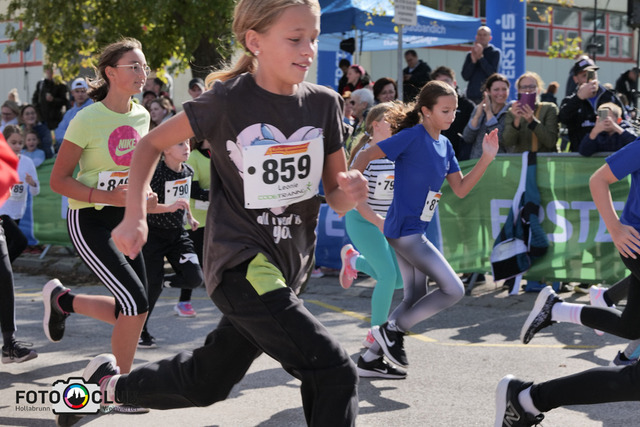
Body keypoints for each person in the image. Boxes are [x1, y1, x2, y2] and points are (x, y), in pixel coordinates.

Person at [78, 1, 367, 425]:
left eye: (314, 38)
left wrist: (351, 193)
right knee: (333, 370)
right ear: (255, 41)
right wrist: (135, 215)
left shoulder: (324, 104)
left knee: (207, 382)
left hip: (288, 269)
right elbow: (150, 144)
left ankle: (105, 386)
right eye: (295, 38)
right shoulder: (228, 100)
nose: (308, 49)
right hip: (241, 266)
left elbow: (335, 197)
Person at [351, 80, 499, 370]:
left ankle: (370, 359)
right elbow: (367, 154)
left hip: (414, 230)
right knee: (454, 289)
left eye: (454, 110)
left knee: (415, 296)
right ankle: (390, 330)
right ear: (426, 111)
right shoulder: (413, 136)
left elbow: (460, 189)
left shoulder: (445, 145)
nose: (452, 116)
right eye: (445, 110)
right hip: (403, 231)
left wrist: (487, 157)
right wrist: (351, 183)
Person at [496, 138, 640, 427]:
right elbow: (598, 179)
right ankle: (527, 399)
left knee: (631, 328)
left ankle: (555, 312)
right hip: (636, 246)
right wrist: (615, 228)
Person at [44, 37, 156, 385]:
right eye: (133, 66)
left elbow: (138, 168)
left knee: (133, 307)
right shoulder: (86, 119)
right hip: (89, 219)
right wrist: (107, 196)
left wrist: (144, 193)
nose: (142, 72)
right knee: (135, 302)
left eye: (144, 66)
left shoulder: (142, 115)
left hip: (126, 219)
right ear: (110, 72)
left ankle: (63, 302)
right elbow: (59, 181)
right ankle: (119, 387)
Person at [340, 102, 405, 376]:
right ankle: (376, 335)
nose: (397, 125)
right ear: (376, 125)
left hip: (385, 223)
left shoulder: (397, 153)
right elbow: (357, 201)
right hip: (362, 221)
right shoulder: (364, 156)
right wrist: (379, 222)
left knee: (399, 280)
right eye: (392, 121)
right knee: (388, 276)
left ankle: (353, 261)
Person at [138, 139, 203, 348]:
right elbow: (145, 206)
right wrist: (169, 208)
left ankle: (162, 282)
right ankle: (140, 331)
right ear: (166, 149)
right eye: (180, 144)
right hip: (153, 235)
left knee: (194, 278)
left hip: (178, 234)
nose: (187, 147)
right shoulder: (156, 173)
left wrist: (190, 217)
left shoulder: (188, 171)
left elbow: (183, 199)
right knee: (151, 291)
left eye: (187, 143)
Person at [0, 129, 37, 364]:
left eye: (18, 143)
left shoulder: (23, 162)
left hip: (3, 220)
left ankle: (9, 345)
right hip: (5, 216)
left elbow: (32, 188)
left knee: (5, 278)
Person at [559, 57, 626, 153]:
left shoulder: (609, 97)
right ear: (575, 79)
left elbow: (624, 121)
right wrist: (579, 98)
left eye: (592, 74)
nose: (590, 80)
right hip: (580, 155)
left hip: (608, 154)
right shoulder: (570, 100)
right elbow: (562, 118)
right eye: (584, 75)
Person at [0, 125, 39, 261]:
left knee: (6, 249)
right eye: (13, 143)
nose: (17, 146)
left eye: (20, 143)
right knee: (20, 242)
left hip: (17, 212)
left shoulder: (27, 162)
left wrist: (32, 183)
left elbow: (35, 191)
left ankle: (5, 272)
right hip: (2, 213)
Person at [503, 71, 559, 154]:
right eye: (524, 87)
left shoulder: (549, 108)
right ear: (518, 91)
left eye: (532, 86)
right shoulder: (512, 111)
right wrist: (516, 120)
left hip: (544, 159)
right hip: (521, 160)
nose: (528, 90)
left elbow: (551, 142)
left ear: (538, 90)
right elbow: (508, 142)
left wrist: (532, 121)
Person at [463, 73, 512, 159]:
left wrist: (489, 113)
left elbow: (501, 139)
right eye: (496, 89)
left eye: (504, 89)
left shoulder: (511, 112)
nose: (501, 93)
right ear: (488, 91)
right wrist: (477, 116)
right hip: (477, 162)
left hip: (500, 163)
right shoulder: (479, 109)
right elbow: (467, 137)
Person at [431, 65, 475, 161]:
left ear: (454, 83)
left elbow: (471, 135)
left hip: (461, 160)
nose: (444, 86)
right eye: (440, 84)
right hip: (436, 158)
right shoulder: (429, 107)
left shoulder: (468, 106)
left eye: (446, 81)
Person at [461, 26, 501, 105]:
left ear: (490, 38)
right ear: (476, 37)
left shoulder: (495, 53)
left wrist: (481, 58)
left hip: (487, 96)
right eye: (480, 35)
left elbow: (492, 74)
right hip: (471, 96)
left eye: (484, 35)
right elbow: (465, 76)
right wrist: (473, 62)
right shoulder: (470, 54)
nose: (482, 37)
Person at [54, 78, 94, 151]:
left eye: (83, 91)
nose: (80, 94)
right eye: (77, 91)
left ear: (88, 92)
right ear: (72, 93)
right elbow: (58, 132)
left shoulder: (94, 109)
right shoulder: (69, 113)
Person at [31, 65, 69, 131]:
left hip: (57, 120)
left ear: (54, 71)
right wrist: (38, 112)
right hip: (43, 120)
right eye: (48, 70)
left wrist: (53, 100)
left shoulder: (61, 85)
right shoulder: (41, 84)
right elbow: (35, 99)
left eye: (51, 70)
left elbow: (65, 101)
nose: (49, 72)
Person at [344, 88, 374, 157]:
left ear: (364, 104)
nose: (351, 106)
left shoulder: (370, 125)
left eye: (353, 103)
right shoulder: (356, 124)